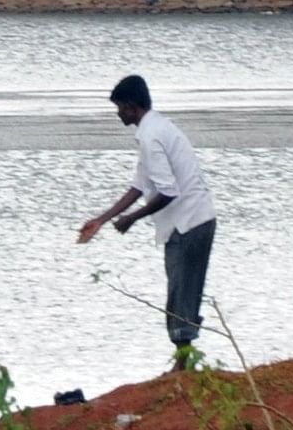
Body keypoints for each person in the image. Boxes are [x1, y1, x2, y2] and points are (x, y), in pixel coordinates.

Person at [78, 75, 218, 372]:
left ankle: (184, 366)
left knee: (182, 293)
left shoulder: (152, 136)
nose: (117, 114)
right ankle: (184, 363)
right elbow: (140, 185)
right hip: (188, 222)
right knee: (180, 293)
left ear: (130, 107)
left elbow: (168, 191)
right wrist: (102, 220)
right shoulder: (152, 130)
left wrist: (132, 218)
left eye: (118, 108)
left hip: (189, 222)